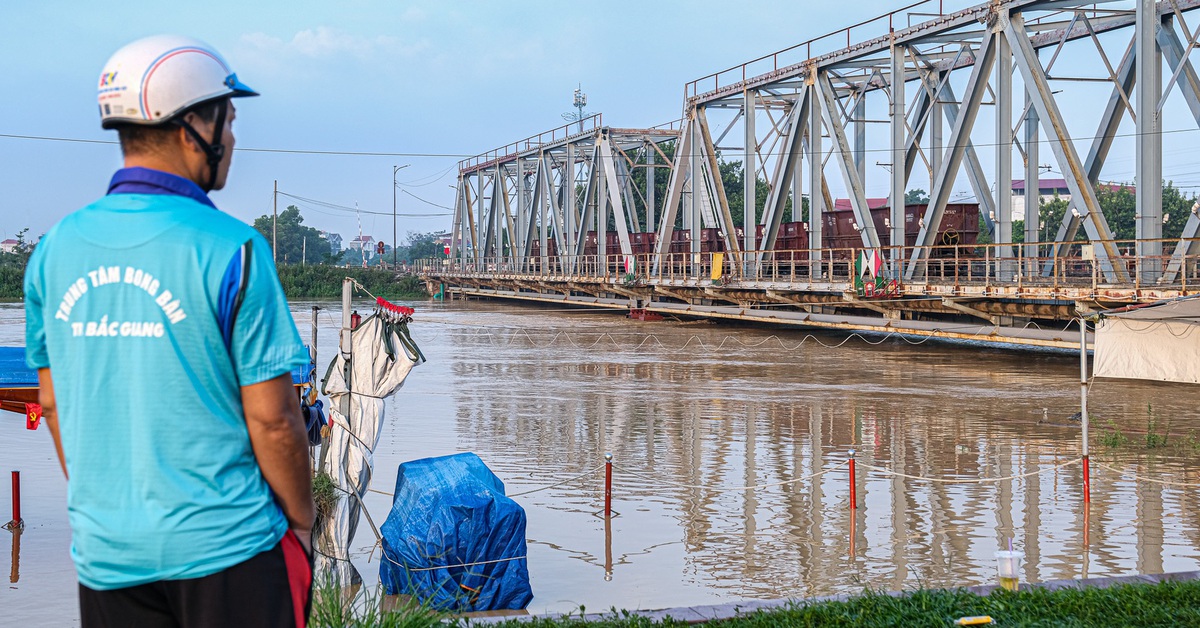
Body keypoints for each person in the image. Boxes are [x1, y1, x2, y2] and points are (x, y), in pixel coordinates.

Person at [24, 35, 316, 628]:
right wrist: (303, 523)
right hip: (230, 550)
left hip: (109, 557)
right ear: (192, 126)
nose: (233, 139)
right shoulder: (234, 250)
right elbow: (274, 420)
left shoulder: (53, 253)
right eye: (228, 120)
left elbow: (52, 406)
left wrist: (112, 514)